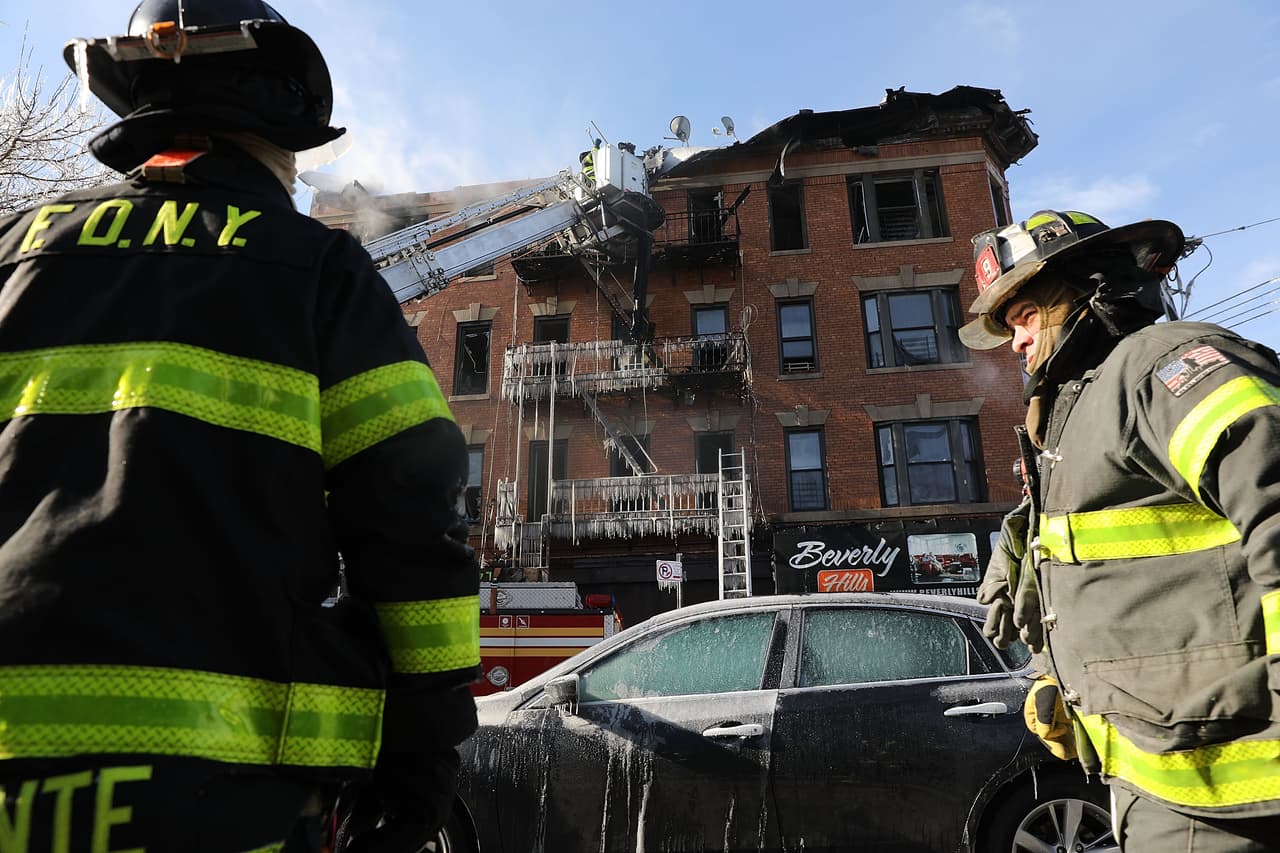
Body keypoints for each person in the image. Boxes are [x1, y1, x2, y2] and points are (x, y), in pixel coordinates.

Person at [0, 1, 480, 850]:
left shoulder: (12, 253)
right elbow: (410, 517)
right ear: (274, 128)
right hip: (220, 794)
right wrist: (421, 750)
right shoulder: (315, 268)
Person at [962, 210, 1280, 851]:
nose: (1014, 343)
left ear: (1090, 288)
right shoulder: (1075, 416)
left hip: (1232, 790)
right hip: (1160, 774)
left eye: (1024, 317)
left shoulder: (1164, 369)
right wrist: (1058, 672)